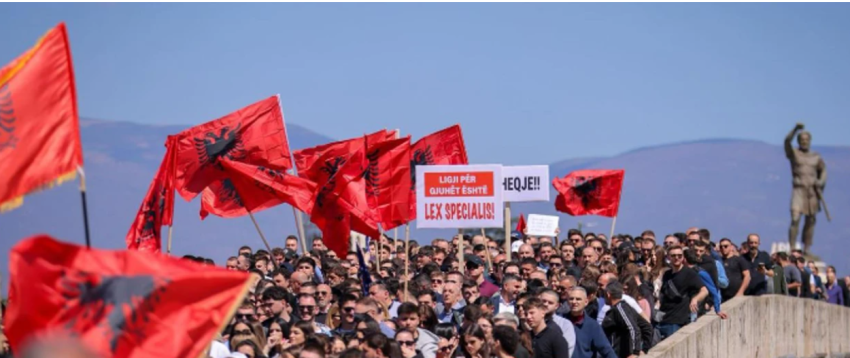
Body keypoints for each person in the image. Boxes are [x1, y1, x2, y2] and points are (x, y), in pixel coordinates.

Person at [656, 245, 708, 339]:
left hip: (677, 320)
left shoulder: (689, 273)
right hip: (664, 318)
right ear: (668, 257)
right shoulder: (667, 274)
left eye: (679, 256)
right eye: (673, 255)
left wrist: (695, 299)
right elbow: (663, 294)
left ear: (683, 257)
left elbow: (704, 291)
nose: (677, 258)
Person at [600, 281, 653, 358]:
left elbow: (633, 328)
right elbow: (647, 327)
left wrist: (635, 352)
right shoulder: (625, 308)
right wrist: (645, 348)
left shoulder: (620, 309)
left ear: (608, 294)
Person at [565, 287, 617, 358]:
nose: (574, 302)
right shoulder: (560, 322)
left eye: (578, 299)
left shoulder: (592, 325)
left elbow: (606, 350)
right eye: (571, 299)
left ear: (586, 302)